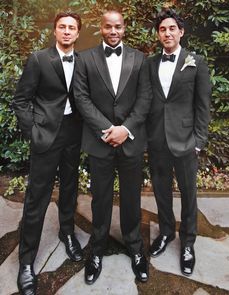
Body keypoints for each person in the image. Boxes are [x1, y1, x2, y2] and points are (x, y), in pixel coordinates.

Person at [74, 10, 152, 284]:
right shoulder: (85, 58)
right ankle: (96, 250)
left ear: (124, 27)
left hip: (130, 141)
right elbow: (81, 97)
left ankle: (135, 248)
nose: (113, 31)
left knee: (132, 199)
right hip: (100, 142)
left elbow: (145, 98)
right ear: (101, 28)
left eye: (118, 26)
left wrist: (125, 129)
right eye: (108, 27)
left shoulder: (140, 59)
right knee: (101, 199)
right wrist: (107, 130)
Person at [13, 12, 83, 295]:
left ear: (78, 34)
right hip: (46, 135)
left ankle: (67, 233)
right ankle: (26, 261)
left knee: (69, 189)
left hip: (73, 134)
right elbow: (21, 100)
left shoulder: (85, 61)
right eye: (62, 27)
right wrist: (33, 132)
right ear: (55, 31)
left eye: (72, 28)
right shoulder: (39, 59)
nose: (67, 32)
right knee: (37, 197)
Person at [147, 8, 211, 276]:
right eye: (163, 29)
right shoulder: (149, 63)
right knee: (161, 191)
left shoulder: (196, 62)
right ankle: (165, 233)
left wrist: (198, 140)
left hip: (186, 140)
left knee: (188, 194)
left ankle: (188, 242)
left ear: (181, 32)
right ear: (159, 34)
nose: (167, 33)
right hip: (157, 139)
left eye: (172, 28)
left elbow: (203, 105)